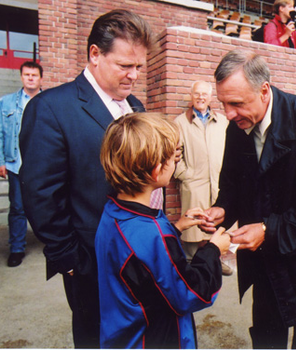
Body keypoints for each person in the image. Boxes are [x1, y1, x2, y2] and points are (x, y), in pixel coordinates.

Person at [201, 49, 296, 349]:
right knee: (266, 337)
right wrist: (224, 208)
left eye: (236, 103)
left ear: (264, 90)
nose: (229, 114)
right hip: (268, 261)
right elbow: (234, 181)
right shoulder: (238, 125)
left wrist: (268, 230)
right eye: (222, 104)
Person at [19, 10, 156, 348]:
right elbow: (40, 193)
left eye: (139, 66)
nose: (134, 75)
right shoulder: (52, 108)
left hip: (142, 257)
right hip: (90, 263)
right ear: (95, 54)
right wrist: (70, 261)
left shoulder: (135, 105)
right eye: (125, 65)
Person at [96, 113, 230, 349]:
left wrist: (176, 228)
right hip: (154, 338)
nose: (176, 162)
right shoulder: (155, 234)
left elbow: (140, 263)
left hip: (122, 334)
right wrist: (213, 250)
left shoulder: (112, 212)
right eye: (174, 157)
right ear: (158, 170)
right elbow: (190, 293)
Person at [173, 81, 232, 275]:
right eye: (197, 94)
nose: (200, 97)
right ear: (191, 95)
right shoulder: (180, 122)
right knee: (194, 225)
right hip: (194, 183)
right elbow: (174, 154)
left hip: (218, 183)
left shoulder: (222, 121)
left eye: (204, 94)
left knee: (214, 224)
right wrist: (185, 175)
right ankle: (190, 264)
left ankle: (215, 261)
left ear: (210, 97)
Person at [0, 61, 43, 267]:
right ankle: (16, 248)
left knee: (48, 204)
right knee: (17, 207)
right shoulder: (7, 103)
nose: (31, 78)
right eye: (27, 75)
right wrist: (1, 161)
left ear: (40, 78)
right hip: (16, 163)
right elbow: (0, 133)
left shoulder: (49, 102)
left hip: (44, 166)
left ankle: (51, 243)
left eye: (34, 75)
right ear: (21, 77)